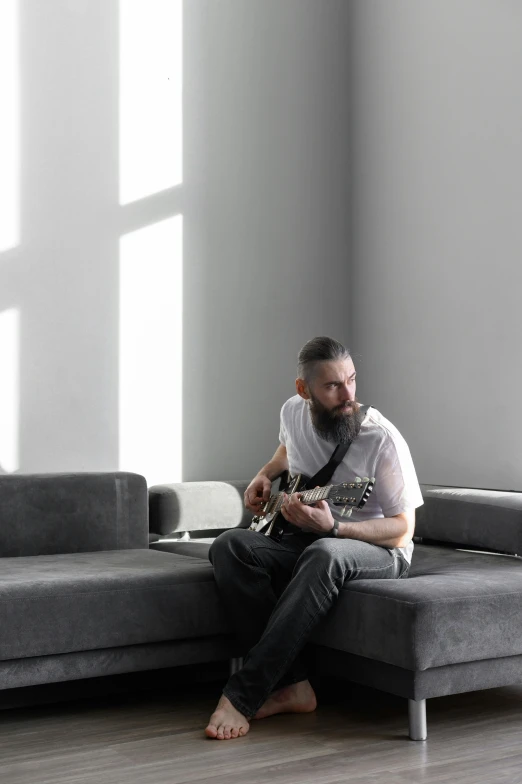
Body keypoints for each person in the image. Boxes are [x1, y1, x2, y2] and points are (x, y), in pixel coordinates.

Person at [205, 336, 423, 740]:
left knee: (325, 553)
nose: (347, 395)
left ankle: (243, 695)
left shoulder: (382, 438)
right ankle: (295, 686)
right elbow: (287, 450)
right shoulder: (293, 412)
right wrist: (264, 475)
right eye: (332, 386)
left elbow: (402, 530)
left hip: (379, 550)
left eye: (351, 380)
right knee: (229, 546)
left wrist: (336, 528)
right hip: (309, 540)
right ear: (303, 390)